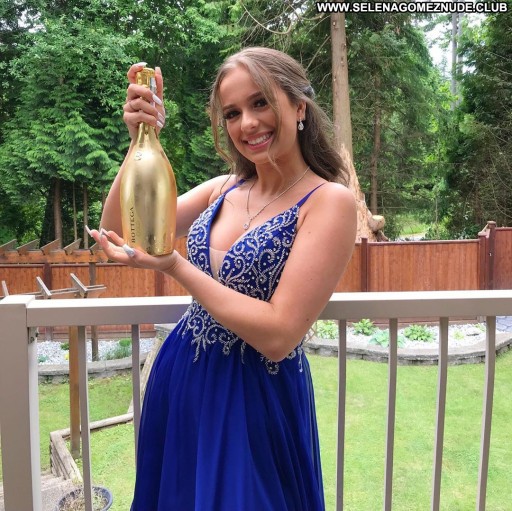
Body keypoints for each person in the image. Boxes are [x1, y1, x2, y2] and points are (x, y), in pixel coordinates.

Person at [89, 47, 357, 511]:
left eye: (260, 103)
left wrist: (176, 266)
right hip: (183, 377)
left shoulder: (328, 201)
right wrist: (140, 142)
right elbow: (121, 231)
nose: (247, 123)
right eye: (232, 113)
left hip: (257, 395)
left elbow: (279, 334)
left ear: (299, 106)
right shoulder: (224, 188)